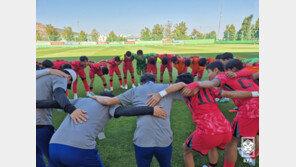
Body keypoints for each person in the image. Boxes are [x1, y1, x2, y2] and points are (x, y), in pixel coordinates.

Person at [145, 72, 259, 167]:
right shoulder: (210, 90)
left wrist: (160, 94)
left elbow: (180, 84)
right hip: (226, 129)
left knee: (186, 150)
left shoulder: (187, 89)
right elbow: (231, 94)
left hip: (208, 131)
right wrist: (256, 93)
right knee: (213, 146)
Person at [36, 92, 168, 167]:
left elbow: (52, 103)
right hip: (79, 151)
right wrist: (151, 110)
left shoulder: (80, 100)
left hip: (54, 147)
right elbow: (127, 111)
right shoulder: (109, 106)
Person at [91, 73, 184, 167]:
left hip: (142, 141)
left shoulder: (134, 90)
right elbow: (185, 86)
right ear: (155, 81)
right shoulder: (167, 87)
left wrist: (95, 96)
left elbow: (108, 101)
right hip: (164, 140)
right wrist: (161, 94)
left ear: (141, 83)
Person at [182, 61, 259, 167]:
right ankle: (251, 155)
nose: (209, 76)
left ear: (216, 70)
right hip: (258, 103)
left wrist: (196, 83)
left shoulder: (223, 76)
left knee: (232, 141)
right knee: (253, 132)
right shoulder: (243, 74)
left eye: (209, 72)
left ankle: (246, 157)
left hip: (250, 108)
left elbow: (212, 83)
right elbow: (252, 72)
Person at [36, 68, 88, 167]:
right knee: (54, 157)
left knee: (36, 157)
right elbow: (59, 93)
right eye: (68, 83)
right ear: (69, 77)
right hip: (40, 124)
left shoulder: (41, 76)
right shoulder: (61, 77)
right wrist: (71, 109)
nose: (66, 85)